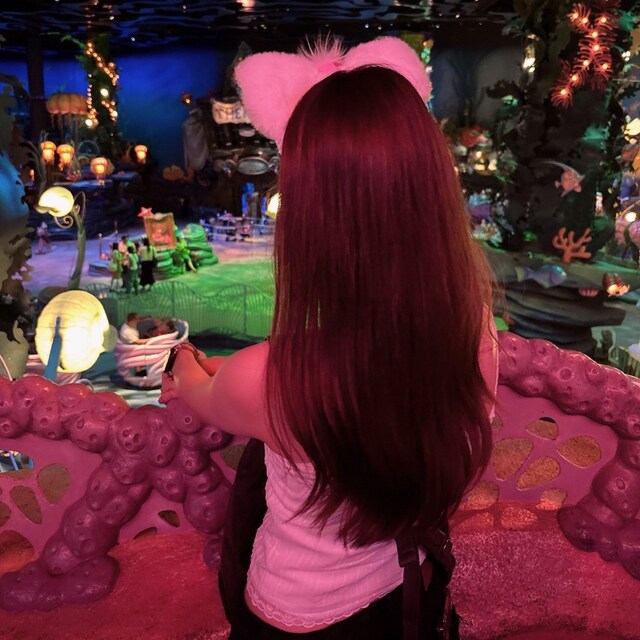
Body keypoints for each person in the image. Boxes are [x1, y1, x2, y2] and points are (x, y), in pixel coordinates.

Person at [160, 37, 498, 640]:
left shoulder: (269, 378)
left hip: (298, 612)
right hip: (408, 590)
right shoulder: (472, 327)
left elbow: (195, 390)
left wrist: (184, 359)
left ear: (310, 216)